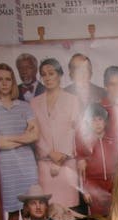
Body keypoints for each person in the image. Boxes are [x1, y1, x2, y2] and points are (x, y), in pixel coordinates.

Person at [0, 63, 39, 220]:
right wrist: (22, 138)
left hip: (26, 166)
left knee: (31, 212)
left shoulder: (24, 106)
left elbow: (34, 135)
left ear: (13, 82)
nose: (4, 83)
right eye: (0, 79)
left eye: (8, 79)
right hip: (7, 168)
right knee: (12, 214)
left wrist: (9, 139)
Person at [31, 58, 81, 209]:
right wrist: (49, 153)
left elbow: (75, 131)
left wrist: (61, 157)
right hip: (45, 165)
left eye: (51, 73)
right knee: (47, 210)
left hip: (66, 164)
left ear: (59, 75)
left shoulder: (73, 100)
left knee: (69, 212)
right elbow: (34, 133)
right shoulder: (34, 103)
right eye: (44, 74)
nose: (47, 78)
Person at [76, 103, 118, 217]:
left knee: (115, 216)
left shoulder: (112, 141)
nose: (97, 124)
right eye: (93, 121)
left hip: (112, 183)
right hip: (94, 185)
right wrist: (85, 190)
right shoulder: (86, 143)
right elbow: (81, 171)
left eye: (100, 119)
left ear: (105, 121)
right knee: (97, 219)